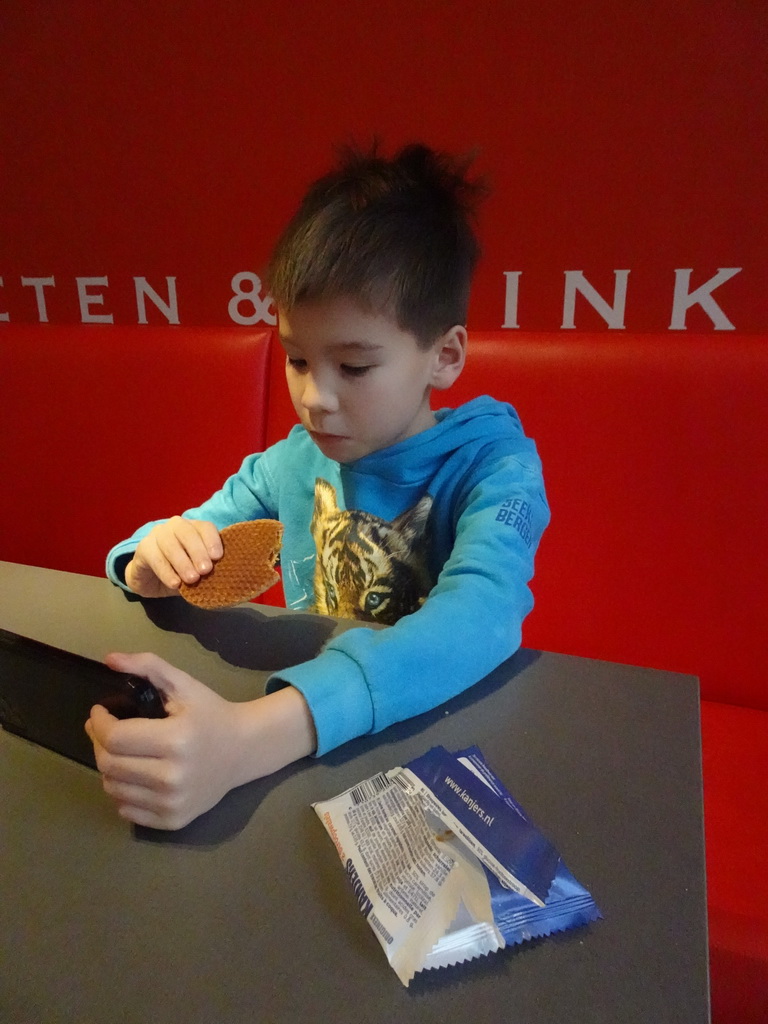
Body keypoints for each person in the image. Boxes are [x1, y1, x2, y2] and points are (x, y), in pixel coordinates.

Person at [90, 142, 550, 830]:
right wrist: (153, 556)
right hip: (318, 749)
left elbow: (481, 616)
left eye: (354, 367)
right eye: (297, 358)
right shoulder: (294, 461)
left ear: (444, 356)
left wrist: (252, 736)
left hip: (434, 741)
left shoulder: (496, 469)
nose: (315, 399)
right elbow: (170, 538)